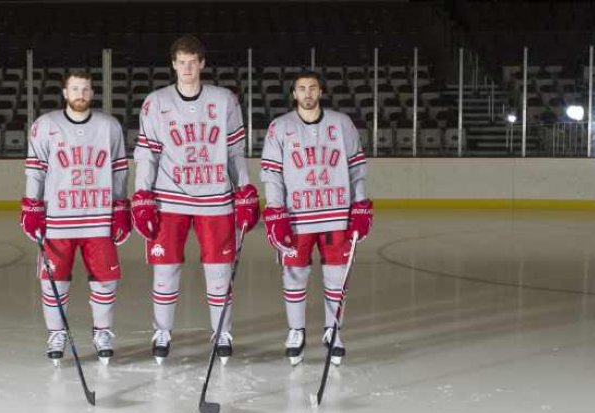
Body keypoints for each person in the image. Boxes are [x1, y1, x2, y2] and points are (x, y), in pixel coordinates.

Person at [131, 35, 259, 364]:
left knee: (219, 272)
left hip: (215, 198)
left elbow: (234, 150)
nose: (187, 68)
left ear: (202, 63)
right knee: (165, 270)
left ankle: (222, 332)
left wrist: (243, 188)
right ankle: (162, 332)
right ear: (173, 64)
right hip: (169, 199)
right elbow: (147, 153)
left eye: (193, 62)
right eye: (181, 62)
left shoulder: (225, 100)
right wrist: (142, 193)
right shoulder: (156, 102)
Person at [259, 70, 373, 366]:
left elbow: (356, 168)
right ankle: (296, 331)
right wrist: (274, 210)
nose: (307, 93)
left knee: (336, 275)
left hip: (336, 214)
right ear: (293, 94)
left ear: (320, 92)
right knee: (294, 274)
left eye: (313, 88)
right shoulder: (280, 127)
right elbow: (271, 173)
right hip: (297, 216)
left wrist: (360, 204)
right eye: (301, 88)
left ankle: (333, 331)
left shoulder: (342, 123)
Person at [19, 71, 131, 366]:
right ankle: (57, 333)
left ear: (92, 93)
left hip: (98, 217)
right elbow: (35, 170)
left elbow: (120, 169)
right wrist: (32, 206)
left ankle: (102, 332)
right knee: (54, 280)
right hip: (58, 219)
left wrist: (120, 206)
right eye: (74, 89)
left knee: (106, 279)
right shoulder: (45, 126)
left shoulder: (109, 126)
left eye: (85, 88)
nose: (80, 93)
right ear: (64, 93)